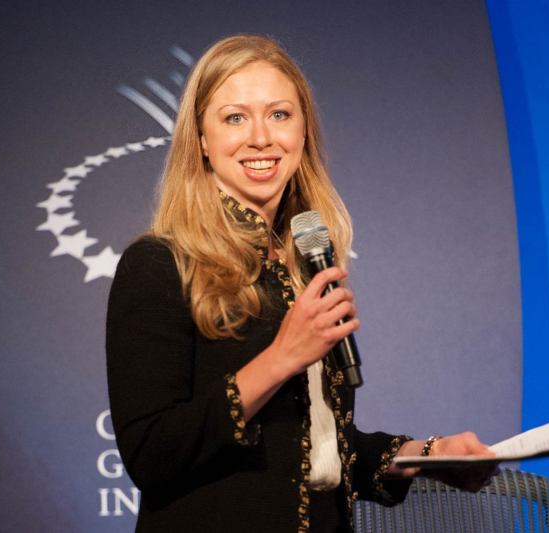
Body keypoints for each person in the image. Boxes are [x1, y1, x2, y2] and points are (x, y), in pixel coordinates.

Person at [106, 34, 496, 533]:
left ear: (304, 130)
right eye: (234, 118)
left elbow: (312, 447)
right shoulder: (159, 264)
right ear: (201, 140)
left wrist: (428, 454)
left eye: (280, 114)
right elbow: (152, 453)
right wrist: (282, 357)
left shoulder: (303, 260)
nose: (261, 138)